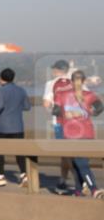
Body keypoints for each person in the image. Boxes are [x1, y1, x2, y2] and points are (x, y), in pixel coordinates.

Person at [52, 70, 103, 198]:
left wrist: (65, 113)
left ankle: (94, 189)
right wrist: (86, 113)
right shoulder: (90, 94)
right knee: (78, 163)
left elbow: (55, 111)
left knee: (80, 164)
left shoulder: (61, 94)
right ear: (84, 81)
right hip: (88, 132)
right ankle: (78, 191)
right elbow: (100, 108)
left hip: (70, 134)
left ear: (71, 81)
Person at [0, 68, 32, 187]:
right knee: (19, 152)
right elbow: (27, 107)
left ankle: (1, 175)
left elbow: (0, 106)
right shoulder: (21, 90)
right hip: (18, 126)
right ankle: (24, 175)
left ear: (1, 79)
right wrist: (15, 108)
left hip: (2, 127)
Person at [44, 59, 73, 194]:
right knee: (77, 152)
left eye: (53, 69)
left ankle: (63, 180)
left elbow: (46, 104)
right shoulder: (77, 82)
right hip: (78, 124)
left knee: (64, 154)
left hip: (59, 123)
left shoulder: (51, 84)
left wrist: (54, 110)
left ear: (57, 70)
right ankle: (81, 180)